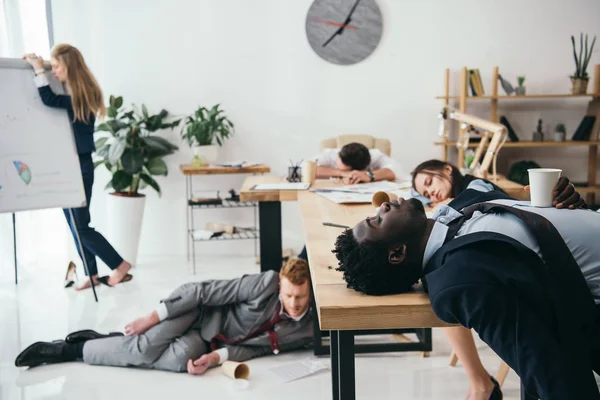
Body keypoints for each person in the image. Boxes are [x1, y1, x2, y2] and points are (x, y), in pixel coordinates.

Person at [332, 186, 600, 399]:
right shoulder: (460, 280)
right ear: (397, 253)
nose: (383, 205)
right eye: (377, 220)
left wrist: (564, 204)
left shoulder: (454, 210)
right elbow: (547, 368)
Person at [15, 258, 314, 374]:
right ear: (281, 287)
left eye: (300, 296)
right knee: (144, 349)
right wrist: (151, 318)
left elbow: (258, 348)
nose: (294, 302)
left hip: (206, 340)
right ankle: (67, 350)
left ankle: (104, 341)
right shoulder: (266, 283)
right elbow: (203, 291)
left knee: (174, 362)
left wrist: (215, 359)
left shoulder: (306, 329)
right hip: (195, 312)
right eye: (288, 295)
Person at [23, 44, 132, 290]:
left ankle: (120, 265)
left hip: (78, 166)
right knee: (76, 225)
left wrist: (39, 70)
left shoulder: (82, 95)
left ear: (70, 68)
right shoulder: (76, 91)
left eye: (58, 67)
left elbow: (48, 99)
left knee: (81, 226)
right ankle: (92, 274)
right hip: (68, 164)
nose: (55, 72)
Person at [412, 159, 585, 210]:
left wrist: (444, 204)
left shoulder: (475, 184)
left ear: (447, 169)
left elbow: (475, 197)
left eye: (429, 182)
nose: (431, 192)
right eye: (426, 194)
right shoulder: (457, 191)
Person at [313, 142, 405, 184]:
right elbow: (304, 169)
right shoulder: (330, 154)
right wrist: (343, 173)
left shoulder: (376, 155)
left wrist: (368, 175)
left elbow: (397, 170)